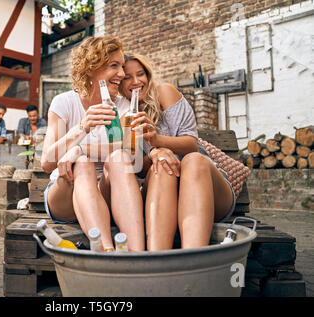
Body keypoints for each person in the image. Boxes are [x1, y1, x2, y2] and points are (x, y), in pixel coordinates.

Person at [119, 53, 236, 250]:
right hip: (163, 192)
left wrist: (157, 141)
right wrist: (153, 153)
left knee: (194, 160)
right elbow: (139, 170)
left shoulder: (163, 92)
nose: (136, 81)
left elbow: (191, 143)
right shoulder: (122, 114)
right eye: (127, 77)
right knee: (161, 165)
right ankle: (158, 261)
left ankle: (192, 260)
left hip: (206, 188)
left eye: (141, 74)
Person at [40, 36, 145, 252]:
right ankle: (106, 251)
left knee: (118, 158)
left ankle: (137, 255)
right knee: (83, 164)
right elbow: (47, 162)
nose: (122, 74)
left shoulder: (123, 106)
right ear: (90, 68)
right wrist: (82, 127)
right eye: (113, 66)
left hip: (107, 191)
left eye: (122, 67)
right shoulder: (65, 102)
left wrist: (80, 148)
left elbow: (130, 154)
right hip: (65, 192)